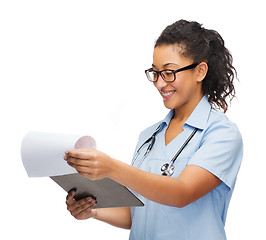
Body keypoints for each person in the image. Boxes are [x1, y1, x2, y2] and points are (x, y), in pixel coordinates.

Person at [64, 19, 243, 240]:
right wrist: (92, 210)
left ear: (200, 71)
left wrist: (111, 168)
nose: (159, 83)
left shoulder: (221, 133)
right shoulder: (149, 136)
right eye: (155, 73)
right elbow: (138, 213)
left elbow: (181, 193)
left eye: (169, 72)